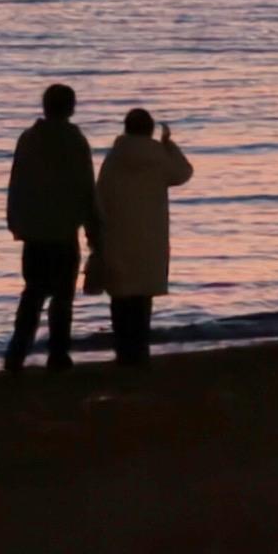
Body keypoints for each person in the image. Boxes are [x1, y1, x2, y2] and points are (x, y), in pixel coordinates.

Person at [4, 83, 98, 373]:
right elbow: (86, 188)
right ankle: (58, 355)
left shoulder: (29, 139)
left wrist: (15, 222)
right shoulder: (74, 140)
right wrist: (93, 230)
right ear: (70, 108)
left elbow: (16, 183)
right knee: (62, 297)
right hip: (62, 231)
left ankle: (16, 354)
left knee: (32, 293)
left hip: (34, 232)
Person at [91, 107, 193, 365]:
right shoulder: (158, 156)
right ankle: (139, 352)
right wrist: (169, 144)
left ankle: (123, 353)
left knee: (120, 301)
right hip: (150, 240)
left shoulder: (114, 158)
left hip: (117, 237)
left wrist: (95, 238)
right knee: (142, 303)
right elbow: (183, 173)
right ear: (150, 130)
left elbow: (99, 198)